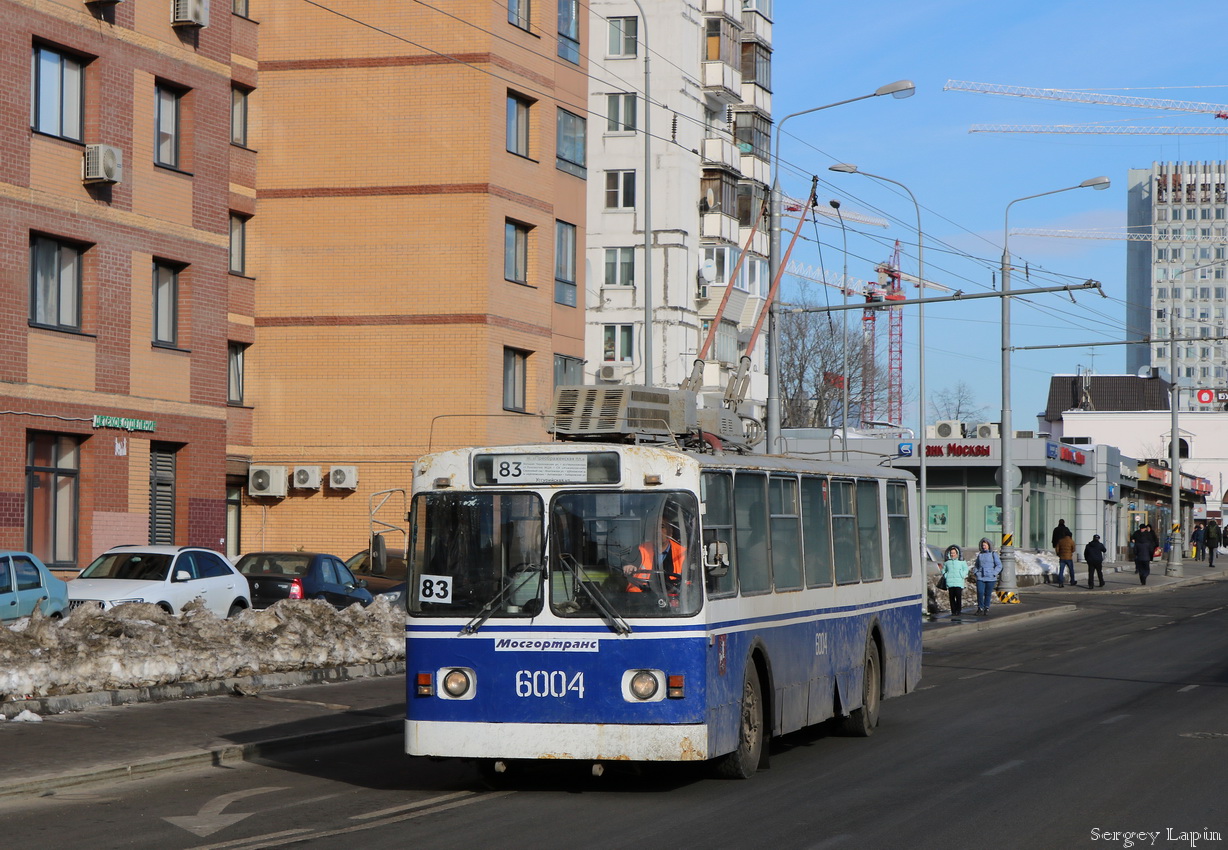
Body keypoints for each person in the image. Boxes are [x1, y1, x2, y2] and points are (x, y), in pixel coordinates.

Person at [623, 515, 686, 594]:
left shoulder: (683, 553)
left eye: (662, 527)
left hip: (672, 599)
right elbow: (629, 563)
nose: (657, 530)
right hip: (640, 597)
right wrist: (628, 566)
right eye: (654, 527)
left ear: (670, 532)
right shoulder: (640, 549)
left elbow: (689, 581)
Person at [971, 538, 1002, 616]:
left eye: (985, 545)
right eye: (983, 545)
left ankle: (986, 607)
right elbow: (977, 565)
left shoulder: (993, 554)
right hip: (980, 577)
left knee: (987, 593)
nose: (984, 546)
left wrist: (994, 573)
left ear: (989, 545)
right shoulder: (980, 555)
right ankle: (980, 608)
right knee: (980, 592)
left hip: (990, 577)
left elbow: (999, 565)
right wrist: (976, 572)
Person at [939, 545, 970, 620]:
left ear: (957, 553)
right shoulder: (947, 562)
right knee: (951, 597)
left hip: (959, 582)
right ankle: (953, 611)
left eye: (954, 553)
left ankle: (958, 610)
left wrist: (962, 574)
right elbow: (943, 570)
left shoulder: (961, 562)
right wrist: (945, 575)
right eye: (951, 553)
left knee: (958, 596)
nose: (953, 554)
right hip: (950, 582)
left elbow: (966, 569)